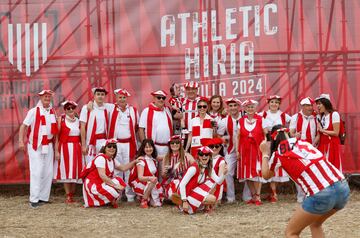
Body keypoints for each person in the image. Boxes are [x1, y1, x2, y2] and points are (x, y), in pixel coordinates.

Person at [260, 125, 349, 238]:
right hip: (342, 186)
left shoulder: (278, 154)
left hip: (321, 192)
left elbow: (266, 175)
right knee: (315, 224)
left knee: (291, 233)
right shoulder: (304, 143)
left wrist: (264, 154)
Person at [18, 89, 58, 208]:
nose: (47, 98)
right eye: (45, 96)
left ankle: (43, 197)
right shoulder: (33, 111)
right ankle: (34, 199)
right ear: (40, 98)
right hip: (36, 145)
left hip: (49, 145)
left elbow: (55, 131)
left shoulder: (52, 111)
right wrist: (20, 141)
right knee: (36, 171)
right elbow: (23, 126)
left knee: (48, 171)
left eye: (48, 96)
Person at [81, 139, 138, 208]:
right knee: (114, 191)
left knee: (119, 181)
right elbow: (102, 176)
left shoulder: (112, 159)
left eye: (114, 147)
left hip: (102, 183)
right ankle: (104, 202)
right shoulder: (101, 158)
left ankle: (108, 202)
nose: (112, 148)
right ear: (104, 148)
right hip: (94, 184)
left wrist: (134, 162)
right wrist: (115, 185)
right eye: (109, 146)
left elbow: (123, 168)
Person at [108, 88, 139, 202]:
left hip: (128, 144)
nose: (122, 99)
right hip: (115, 144)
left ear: (127, 98)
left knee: (129, 169)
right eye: (120, 97)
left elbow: (136, 127)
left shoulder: (133, 110)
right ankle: (118, 193)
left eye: (124, 97)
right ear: (116, 98)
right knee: (117, 169)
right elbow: (97, 105)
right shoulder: (111, 109)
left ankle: (130, 195)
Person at [259, 95, 291, 203]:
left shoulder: (283, 115)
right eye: (272, 102)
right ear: (268, 103)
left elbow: (293, 122)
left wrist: (287, 132)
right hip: (268, 142)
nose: (274, 104)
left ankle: (273, 191)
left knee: (278, 166)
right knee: (269, 164)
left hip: (280, 143)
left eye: (276, 102)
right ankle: (273, 192)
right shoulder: (263, 114)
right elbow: (252, 117)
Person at [172, 146, 223, 214]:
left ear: (210, 156)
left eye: (206, 154)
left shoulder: (208, 167)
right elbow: (182, 184)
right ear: (198, 156)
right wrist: (184, 201)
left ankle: (206, 207)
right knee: (212, 199)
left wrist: (224, 174)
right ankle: (187, 205)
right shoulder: (194, 168)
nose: (204, 156)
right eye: (201, 154)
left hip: (194, 191)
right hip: (186, 195)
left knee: (212, 182)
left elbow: (218, 181)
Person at [54, 100, 84, 204]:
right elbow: (56, 136)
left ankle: (72, 194)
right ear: (65, 110)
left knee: (75, 172)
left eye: (72, 108)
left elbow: (82, 136)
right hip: (65, 148)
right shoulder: (60, 120)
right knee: (66, 171)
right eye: (68, 108)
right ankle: (68, 196)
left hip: (77, 148)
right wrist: (56, 151)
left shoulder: (79, 120)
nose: (71, 110)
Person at [237, 99, 266, 205]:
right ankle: (253, 196)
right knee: (247, 174)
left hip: (257, 150)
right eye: (248, 107)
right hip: (244, 150)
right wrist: (237, 151)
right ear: (244, 109)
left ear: (255, 108)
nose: (250, 109)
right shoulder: (241, 120)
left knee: (258, 173)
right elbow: (238, 137)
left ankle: (258, 196)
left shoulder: (261, 119)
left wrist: (265, 148)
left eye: (252, 107)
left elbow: (266, 134)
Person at [289, 97, 318, 203]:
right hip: (299, 148)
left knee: (312, 171)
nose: (310, 108)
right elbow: (291, 132)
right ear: (303, 107)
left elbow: (318, 132)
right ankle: (301, 195)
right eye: (308, 106)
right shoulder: (295, 117)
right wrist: (294, 135)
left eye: (311, 105)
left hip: (313, 148)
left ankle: (311, 193)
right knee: (300, 171)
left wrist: (315, 142)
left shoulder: (316, 117)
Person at [217, 97, 242, 203]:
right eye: (230, 106)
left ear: (239, 106)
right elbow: (219, 136)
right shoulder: (224, 121)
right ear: (228, 107)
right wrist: (226, 143)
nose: (233, 108)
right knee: (227, 173)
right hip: (230, 150)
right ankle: (231, 197)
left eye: (235, 105)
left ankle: (248, 196)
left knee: (246, 173)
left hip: (245, 150)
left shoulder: (245, 117)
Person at [129, 139, 164, 208]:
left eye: (150, 147)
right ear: (143, 148)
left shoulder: (153, 159)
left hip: (151, 183)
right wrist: (150, 178)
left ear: (153, 148)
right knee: (153, 181)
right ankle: (144, 199)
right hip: (141, 182)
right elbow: (140, 177)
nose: (148, 149)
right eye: (146, 147)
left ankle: (147, 198)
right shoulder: (141, 160)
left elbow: (165, 156)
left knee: (156, 204)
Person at [80, 87, 111, 164]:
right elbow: (82, 127)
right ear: (94, 96)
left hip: (103, 141)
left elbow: (120, 105)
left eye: (102, 94)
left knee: (102, 164)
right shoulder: (86, 108)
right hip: (90, 142)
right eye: (98, 94)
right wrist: (83, 145)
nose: (100, 96)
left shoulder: (107, 107)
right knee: (90, 165)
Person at [139, 90, 173, 157]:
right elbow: (141, 129)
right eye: (158, 97)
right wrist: (145, 146)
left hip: (167, 147)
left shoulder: (167, 110)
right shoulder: (146, 111)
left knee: (166, 167)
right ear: (154, 98)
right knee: (153, 167)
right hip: (153, 147)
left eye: (163, 98)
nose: (161, 99)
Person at [161, 135, 195, 200]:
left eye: (177, 143)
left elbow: (195, 166)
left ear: (180, 144)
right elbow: (163, 176)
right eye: (172, 143)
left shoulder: (186, 155)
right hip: (171, 181)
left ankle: (181, 197)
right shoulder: (166, 157)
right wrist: (166, 173)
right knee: (171, 194)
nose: (175, 144)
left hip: (184, 181)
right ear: (169, 145)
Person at [315, 94, 343, 171]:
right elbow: (318, 135)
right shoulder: (320, 117)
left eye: (320, 104)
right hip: (322, 145)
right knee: (322, 169)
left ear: (326, 104)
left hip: (332, 145)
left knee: (333, 168)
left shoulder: (334, 114)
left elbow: (336, 132)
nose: (318, 106)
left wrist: (322, 130)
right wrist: (312, 146)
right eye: (317, 104)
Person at [207, 138, 227, 203]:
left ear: (220, 147)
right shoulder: (205, 158)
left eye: (217, 146)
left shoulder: (221, 160)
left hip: (215, 186)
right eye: (211, 146)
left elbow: (220, 179)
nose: (214, 148)